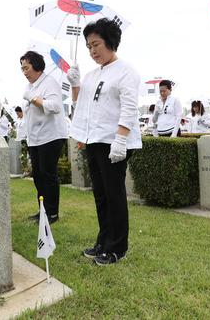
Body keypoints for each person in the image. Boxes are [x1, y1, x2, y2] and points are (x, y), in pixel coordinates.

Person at [68, 18, 141, 266]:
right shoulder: (91, 74)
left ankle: (117, 247)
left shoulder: (126, 71)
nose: (93, 51)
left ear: (110, 42)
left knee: (114, 194)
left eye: (96, 44)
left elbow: (129, 108)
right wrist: (75, 83)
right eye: (89, 46)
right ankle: (103, 240)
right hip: (94, 139)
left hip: (114, 141)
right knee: (100, 194)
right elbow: (82, 104)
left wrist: (121, 139)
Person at [20, 50, 68, 224]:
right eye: (22, 69)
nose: (24, 72)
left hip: (51, 136)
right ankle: (42, 210)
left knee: (48, 175)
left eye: (27, 68)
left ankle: (52, 212)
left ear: (37, 66)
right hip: (35, 138)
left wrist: (33, 98)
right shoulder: (30, 86)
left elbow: (54, 106)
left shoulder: (49, 82)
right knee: (38, 176)